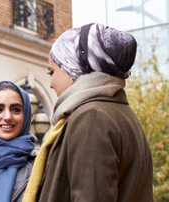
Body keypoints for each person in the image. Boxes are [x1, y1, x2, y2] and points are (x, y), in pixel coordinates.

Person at [22, 23, 153, 202]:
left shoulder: (91, 117)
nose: (50, 83)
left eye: (51, 71)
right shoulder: (119, 112)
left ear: (74, 70)